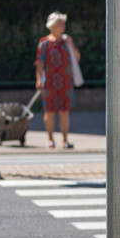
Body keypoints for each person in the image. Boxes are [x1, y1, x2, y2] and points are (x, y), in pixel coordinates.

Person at [34, 11, 81, 149]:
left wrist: (71, 45)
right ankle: (50, 139)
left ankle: (65, 140)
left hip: (65, 82)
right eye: (60, 24)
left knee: (64, 111)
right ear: (53, 26)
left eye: (63, 24)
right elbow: (40, 63)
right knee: (49, 111)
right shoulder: (44, 43)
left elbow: (77, 58)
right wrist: (39, 79)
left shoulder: (67, 42)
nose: (63, 26)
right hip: (49, 82)